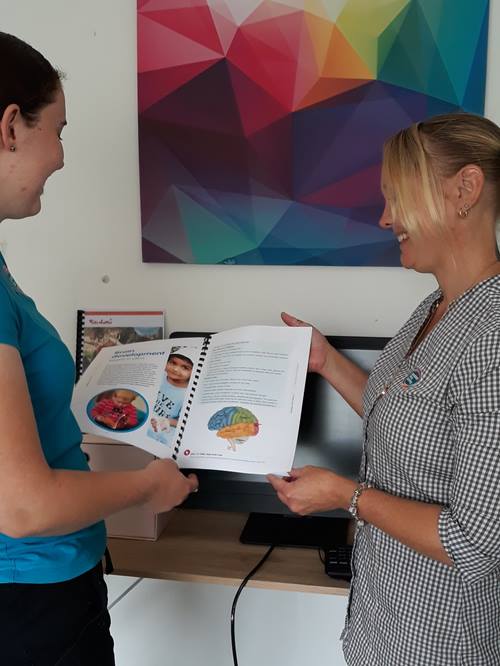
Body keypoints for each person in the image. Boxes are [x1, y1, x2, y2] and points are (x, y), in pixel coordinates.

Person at [268, 112, 500, 665]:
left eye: (397, 197)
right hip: (381, 620)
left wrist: (343, 495)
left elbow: (473, 542)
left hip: (440, 641)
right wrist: (327, 362)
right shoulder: (434, 308)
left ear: (464, 189)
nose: (385, 217)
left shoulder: (492, 337)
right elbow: (402, 408)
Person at [0, 32, 198, 665]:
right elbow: (25, 507)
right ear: (10, 127)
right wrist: (146, 487)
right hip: (31, 602)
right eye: (57, 130)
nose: (59, 157)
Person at [147, 351, 194, 445]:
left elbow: (185, 423)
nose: (176, 369)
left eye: (185, 367)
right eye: (173, 362)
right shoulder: (158, 375)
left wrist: (168, 421)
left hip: (162, 438)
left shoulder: (188, 394)